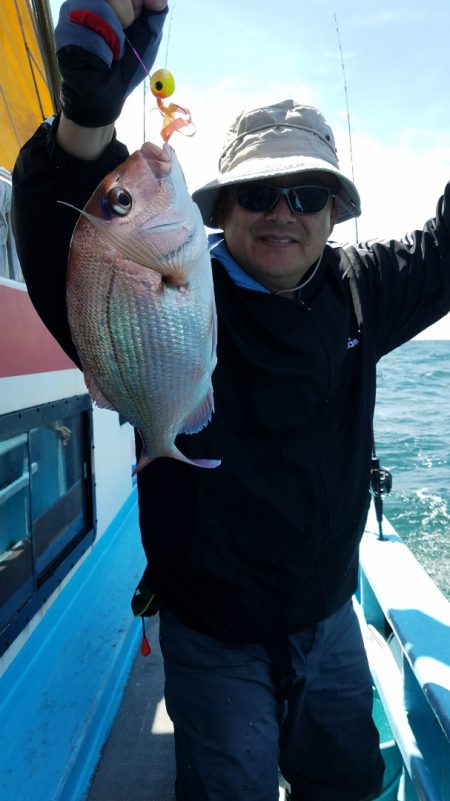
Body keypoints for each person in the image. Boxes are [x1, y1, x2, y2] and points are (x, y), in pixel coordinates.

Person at [11, 2, 450, 800]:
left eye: (307, 196)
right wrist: (86, 118)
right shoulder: (158, 287)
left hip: (328, 617)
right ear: (218, 208)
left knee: (346, 778)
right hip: (209, 631)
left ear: (333, 215)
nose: (282, 212)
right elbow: (68, 242)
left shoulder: (362, 291)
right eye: (257, 194)